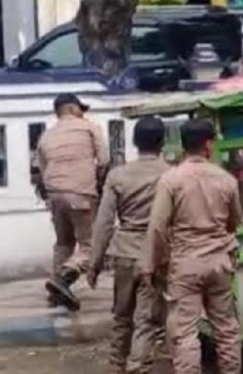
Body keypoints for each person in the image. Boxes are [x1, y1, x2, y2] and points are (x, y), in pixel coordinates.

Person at [141, 119, 242, 374]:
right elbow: (234, 222)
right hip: (220, 262)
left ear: (183, 145)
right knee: (227, 328)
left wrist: (150, 265)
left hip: (185, 265)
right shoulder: (226, 179)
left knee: (185, 331)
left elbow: (157, 227)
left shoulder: (171, 180)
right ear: (208, 144)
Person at [88, 117, 170, 374]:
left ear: (135, 142)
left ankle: (116, 366)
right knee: (145, 320)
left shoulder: (118, 176)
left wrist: (94, 263)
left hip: (124, 253)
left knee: (122, 317)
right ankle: (137, 367)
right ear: (163, 141)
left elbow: (103, 223)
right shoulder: (172, 174)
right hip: (156, 255)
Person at [36, 93, 109, 311]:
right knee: (91, 245)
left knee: (63, 243)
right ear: (70, 108)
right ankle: (64, 278)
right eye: (80, 108)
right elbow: (104, 160)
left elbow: (41, 169)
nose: (83, 112)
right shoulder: (89, 127)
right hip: (81, 193)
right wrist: (99, 183)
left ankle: (56, 292)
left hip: (54, 195)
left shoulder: (46, 135)